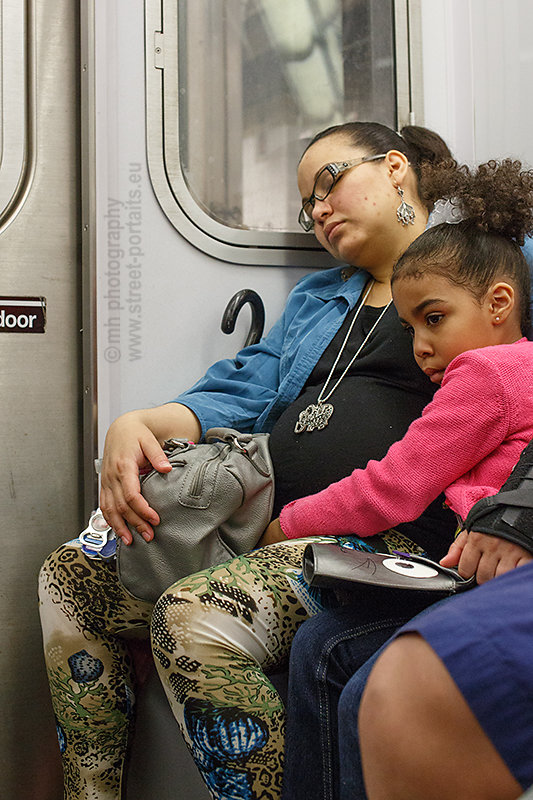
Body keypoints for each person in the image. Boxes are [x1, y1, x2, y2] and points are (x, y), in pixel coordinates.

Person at [39, 120, 460, 800]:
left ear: (393, 168)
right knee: (72, 577)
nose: (318, 211)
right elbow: (244, 385)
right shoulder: (319, 298)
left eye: (328, 183)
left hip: (390, 539)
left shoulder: (489, 264)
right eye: (306, 206)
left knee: (188, 614)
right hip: (265, 521)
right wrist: (134, 422)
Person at [281, 158, 533, 800]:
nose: (420, 345)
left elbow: (395, 485)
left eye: (434, 318)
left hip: (477, 572)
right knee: (318, 645)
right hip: (479, 566)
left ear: (499, 304)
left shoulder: (487, 374)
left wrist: (286, 522)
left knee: (326, 660)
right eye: (410, 327)